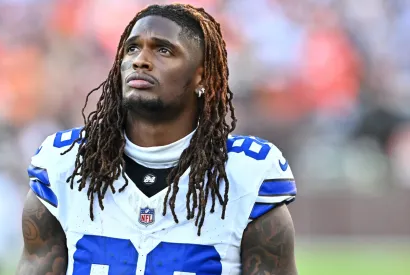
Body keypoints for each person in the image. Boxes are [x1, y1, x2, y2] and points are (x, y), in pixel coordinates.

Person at [16, 3, 297, 275]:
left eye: (164, 50)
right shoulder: (66, 164)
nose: (140, 60)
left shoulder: (246, 175)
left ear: (203, 76)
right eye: (132, 48)